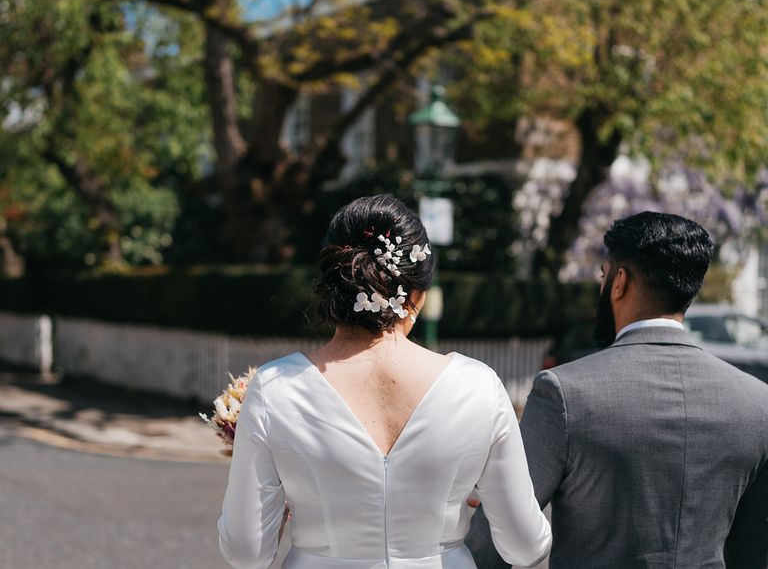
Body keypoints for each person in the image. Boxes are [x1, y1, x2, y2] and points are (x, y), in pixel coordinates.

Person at [217, 194, 551, 569]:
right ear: (418, 297)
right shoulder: (478, 386)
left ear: (331, 285)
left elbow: (246, 552)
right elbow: (525, 547)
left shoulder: (275, 387)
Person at [468, 211, 768, 568]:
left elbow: (495, 540)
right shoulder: (756, 402)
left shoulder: (564, 394)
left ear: (619, 281)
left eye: (602, 276)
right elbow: (754, 549)